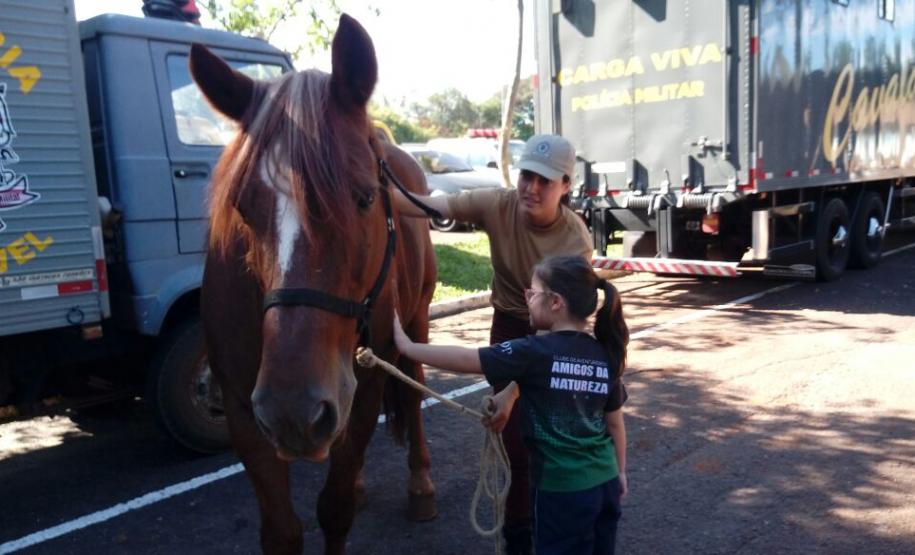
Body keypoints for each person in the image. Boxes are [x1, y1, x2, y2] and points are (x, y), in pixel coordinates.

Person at [395, 134, 592, 554]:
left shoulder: (576, 243)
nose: (531, 188)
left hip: (556, 338)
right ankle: (519, 534)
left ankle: (555, 522)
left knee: (549, 440)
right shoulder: (498, 204)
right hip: (507, 327)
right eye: (526, 176)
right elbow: (434, 205)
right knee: (515, 446)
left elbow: (563, 336)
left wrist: (512, 389)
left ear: (566, 186)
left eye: (544, 180)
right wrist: (376, 192)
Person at [393, 255, 629, 555]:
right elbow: (615, 424)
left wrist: (407, 346)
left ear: (555, 302)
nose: (526, 298)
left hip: (560, 492)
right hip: (606, 483)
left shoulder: (532, 352)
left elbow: (467, 359)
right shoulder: (604, 353)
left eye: (532, 292)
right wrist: (621, 472)